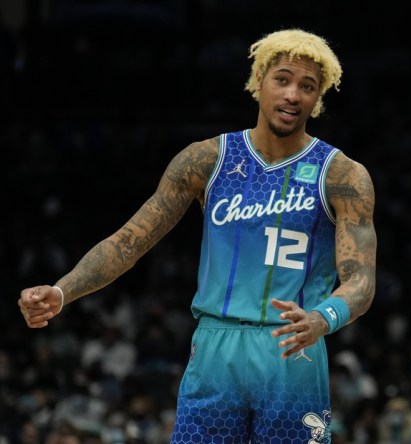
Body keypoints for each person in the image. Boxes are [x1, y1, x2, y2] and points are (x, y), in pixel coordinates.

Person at [17, 28, 377, 443]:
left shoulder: (343, 175)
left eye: (307, 86)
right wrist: (62, 292)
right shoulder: (206, 159)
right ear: (259, 80)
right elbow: (130, 240)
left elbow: (362, 281)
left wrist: (323, 318)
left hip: (293, 347)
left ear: (318, 98)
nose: (293, 94)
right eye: (282, 79)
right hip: (214, 349)